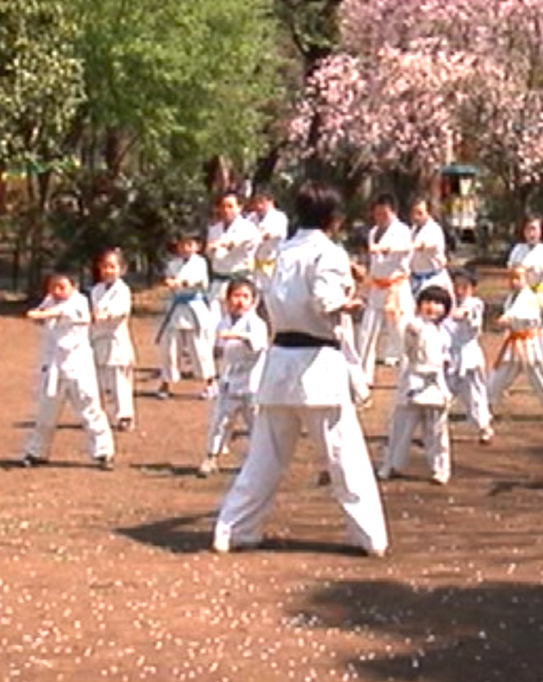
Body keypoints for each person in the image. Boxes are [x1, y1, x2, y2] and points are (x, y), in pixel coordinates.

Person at [212, 181, 388, 557]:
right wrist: (350, 304)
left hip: (280, 363)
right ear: (334, 218)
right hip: (317, 364)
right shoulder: (329, 253)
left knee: (264, 458)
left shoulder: (283, 251)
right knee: (345, 459)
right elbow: (325, 300)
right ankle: (369, 537)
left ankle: (232, 529)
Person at [21, 272, 116, 470]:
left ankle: (103, 453)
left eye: (62, 287)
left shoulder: (80, 302)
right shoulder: (49, 300)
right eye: (52, 287)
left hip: (79, 367)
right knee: (46, 413)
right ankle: (37, 452)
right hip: (54, 366)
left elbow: (60, 313)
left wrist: (41, 315)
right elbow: (43, 313)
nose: (56, 291)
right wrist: (37, 315)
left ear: (74, 287)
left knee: (90, 410)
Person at [378, 285, 455, 485]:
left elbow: (444, 360)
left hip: (435, 387)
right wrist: (394, 303)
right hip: (412, 384)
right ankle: (391, 464)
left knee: (436, 433)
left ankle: (440, 469)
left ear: (446, 309)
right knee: (400, 429)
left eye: (438, 303)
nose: (432, 307)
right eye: (428, 302)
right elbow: (404, 328)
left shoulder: (444, 332)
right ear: (419, 305)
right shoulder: (414, 325)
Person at [200, 278, 269, 478]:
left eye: (245, 296)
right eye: (236, 296)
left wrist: (239, 336)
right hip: (229, 382)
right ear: (227, 300)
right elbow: (218, 350)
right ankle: (211, 457)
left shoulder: (257, 324)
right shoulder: (223, 322)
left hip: (252, 384)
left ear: (253, 301)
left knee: (256, 425)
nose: (240, 301)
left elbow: (258, 345)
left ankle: (261, 463)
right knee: (220, 421)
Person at [486, 266, 543, 421]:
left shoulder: (530, 297)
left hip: (529, 343)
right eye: (511, 279)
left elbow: (526, 314)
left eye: (518, 278)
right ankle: (487, 404)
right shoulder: (511, 297)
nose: (514, 282)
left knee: (539, 372)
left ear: (526, 280)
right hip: (514, 341)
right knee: (501, 373)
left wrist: (509, 318)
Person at [356, 194, 414, 375]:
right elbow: (373, 263)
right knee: (366, 333)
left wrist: (386, 248)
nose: (380, 218)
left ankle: (409, 376)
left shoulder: (403, 230)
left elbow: (406, 248)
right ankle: (364, 378)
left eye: (384, 214)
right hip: (376, 287)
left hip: (395, 288)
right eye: (377, 214)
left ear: (393, 212)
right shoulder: (373, 232)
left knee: (400, 333)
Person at [156, 235, 216, 400]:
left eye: (189, 244)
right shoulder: (172, 264)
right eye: (182, 244)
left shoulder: (201, 262)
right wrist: (168, 281)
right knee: (169, 349)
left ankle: (210, 383)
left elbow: (200, 281)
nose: (185, 248)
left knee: (199, 349)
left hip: (194, 308)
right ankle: (166, 383)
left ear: (197, 246)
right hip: (175, 309)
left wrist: (181, 282)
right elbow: (167, 279)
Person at [507, 214, 543, 393]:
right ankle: (509, 376)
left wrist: (524, 268)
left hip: (539, 295)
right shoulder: (518, 248)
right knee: (515, 333)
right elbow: (511, 267)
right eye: (529, 229)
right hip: (520, 294)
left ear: (541, 231)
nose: (532, 233)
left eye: (535, 228)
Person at [90, 249, 136, 432]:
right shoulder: (96, 290)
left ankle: (125, 415)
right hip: (99, 338)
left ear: (121, 269)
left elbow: (122, 311)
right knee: (103, 380)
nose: (108, 271)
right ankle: (105, 413)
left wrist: (106, 315)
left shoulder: (123, 290)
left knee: (120, 380)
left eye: (112, 267)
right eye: (105, 267)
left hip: (117, 339)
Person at [448, 267, 493, 444]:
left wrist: (452, 314)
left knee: (474, 394)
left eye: (464, 286)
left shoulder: (475, 303)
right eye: (456, 286)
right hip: (450, 355)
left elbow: (463, 314)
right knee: (443, 393)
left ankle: (484, 427)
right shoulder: (450, 302)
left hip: (469, 355)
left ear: (472, 287)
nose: (459, 290)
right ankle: (436, 430)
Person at [206, 192, 261, 305]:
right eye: (223, 206)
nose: (226, 210)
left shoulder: (248, 227)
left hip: (240, 282)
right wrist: (210, 249)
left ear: (239, 208)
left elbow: (236, 243)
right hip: (218, 283)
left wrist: (221, 244)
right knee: (214, 321)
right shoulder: (214, 229)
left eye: (230, 206)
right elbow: (210, 254)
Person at [407, 197, 453, 296]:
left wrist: (404, 246)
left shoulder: (434, 230)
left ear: (428, 213)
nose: (416, 217)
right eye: (413, 213)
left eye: (420, 213)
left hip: (433, 280)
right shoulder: (413, 230)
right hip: (415, 279)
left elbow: (422, 245)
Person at [249, 186, 289, 283]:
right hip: (254, 266)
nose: (259, 206)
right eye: (256, 202)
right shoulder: (251, 217)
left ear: (270, 202)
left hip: (272, 266)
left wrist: (259, 238)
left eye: (262, 202)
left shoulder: (279, 217)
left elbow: (271, 234)